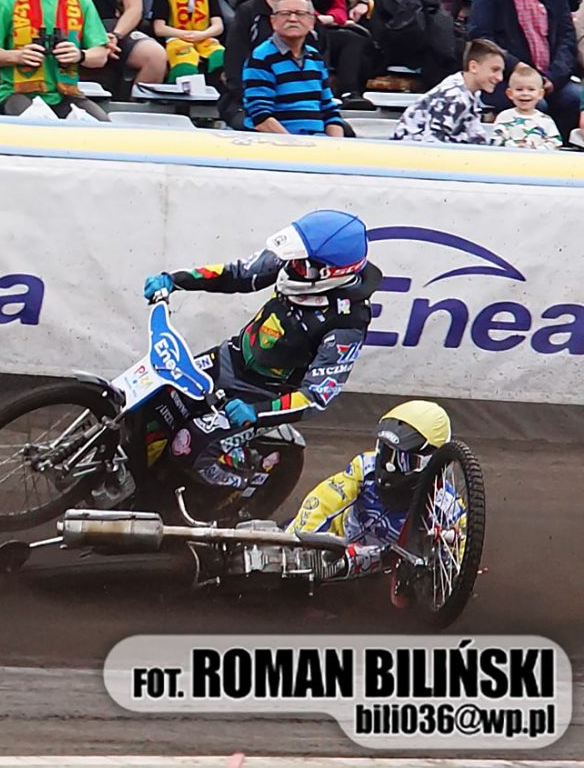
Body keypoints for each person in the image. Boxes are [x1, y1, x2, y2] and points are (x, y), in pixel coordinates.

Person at [138, 210, 378, 494]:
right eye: (293, 259)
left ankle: (230, 494)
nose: (291, 266)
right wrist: (176, 280)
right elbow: (237, 274)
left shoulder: (348, 324)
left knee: (187, 447)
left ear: (329, 272)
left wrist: (257, 412)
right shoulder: (292, 262)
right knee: (151, 397)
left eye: (302, 265)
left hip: (261, 396)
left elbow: (316, 396)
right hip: (229, 358)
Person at [287, 402, 455, 580]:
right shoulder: (364, 467)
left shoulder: (447, 503)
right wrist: (294, 545)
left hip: (385, 571)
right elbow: (323, 500)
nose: (390, 466)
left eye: (405, 460)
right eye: (385, 452)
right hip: (331, 545)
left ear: (431, 462)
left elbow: (463, 552)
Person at [467, 0, 581, 136]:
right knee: (536, 107)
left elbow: (567, 38)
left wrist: (552, 79)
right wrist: (519, 69)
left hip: (550, 80)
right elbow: (481, 37)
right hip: (507, 81)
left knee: (576, 98)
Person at [220, 0, 305, 128]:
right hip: (247, 101)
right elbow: (234, 70)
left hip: (295, 101)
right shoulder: (246, 13)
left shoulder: (307, 16)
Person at [241, 0, 345, 135]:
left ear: (311, 22)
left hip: (319, 144)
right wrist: (295, 146)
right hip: (280, 145)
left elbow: (329, 110)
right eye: (285, 14)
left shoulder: (314, 57)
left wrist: (337, 146)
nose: (293, 19)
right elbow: (261, 116)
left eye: (300, 14)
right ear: (273, 21)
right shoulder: (261, 57)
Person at [390, 38, 504, 143]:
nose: (500, 78)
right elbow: (433, 143)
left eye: (501, 72)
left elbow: (476, 136)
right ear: (473, 67)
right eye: (494, 70)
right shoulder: (453, 96)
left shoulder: (470, 92)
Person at [488, 62, 561, 149]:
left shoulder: (546, 120)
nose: (525, 93)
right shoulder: (504, 117)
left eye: (531, 89)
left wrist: (537, 149)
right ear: (510, 93)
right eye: (519, 89)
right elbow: (496, 140)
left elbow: (556, 143)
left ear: (540, 94)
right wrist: (515, 147)